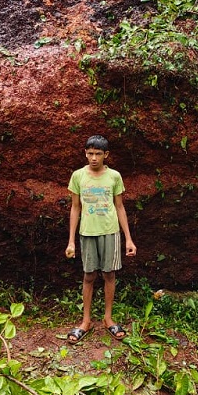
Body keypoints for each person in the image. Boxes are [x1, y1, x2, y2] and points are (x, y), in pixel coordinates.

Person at [64, 135, 136, 344]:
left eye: (98, 154)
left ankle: (108, 318)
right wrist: (71, 241)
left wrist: (128, 239)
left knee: (109, 274)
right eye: (90, 153)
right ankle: (85, 321)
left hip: (110, 231)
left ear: (106, 155)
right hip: (87, 232)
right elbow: (75, 207)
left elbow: (120, 207)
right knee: (88, 275)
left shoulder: (114, 176)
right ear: (85, 153)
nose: (93, 158)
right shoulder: (78, 176)